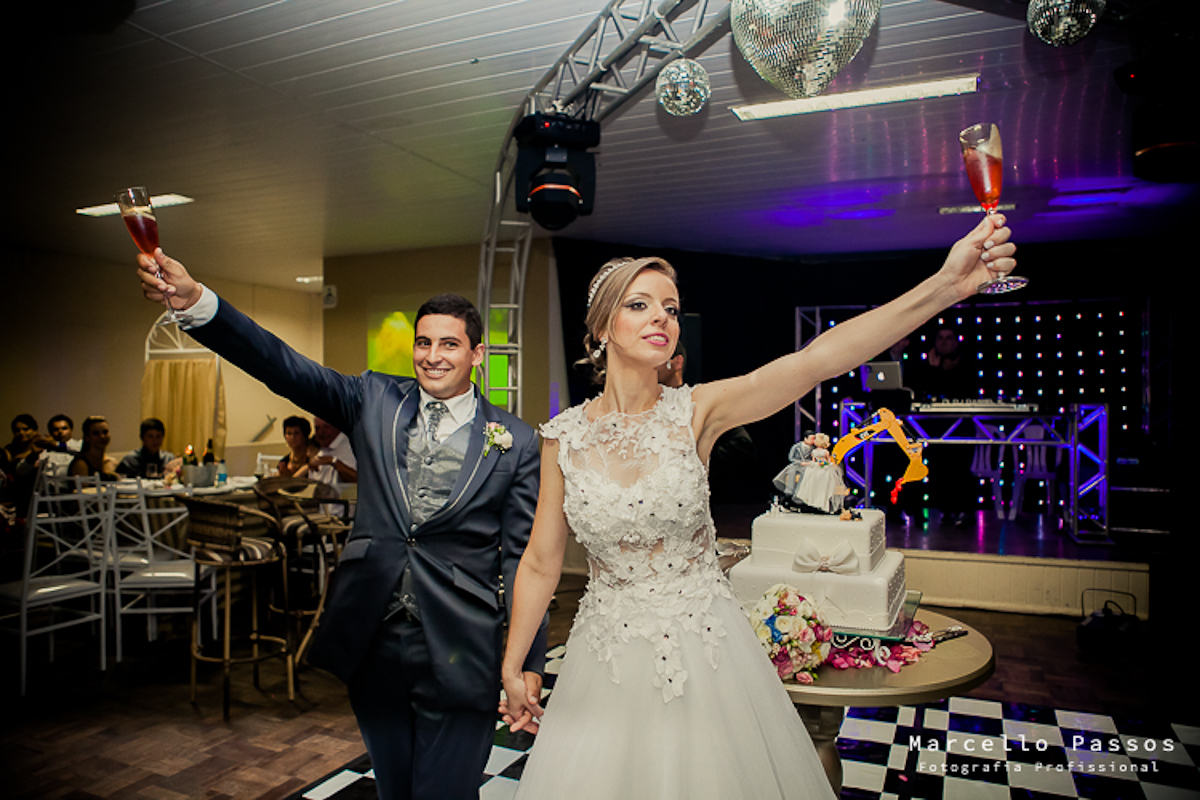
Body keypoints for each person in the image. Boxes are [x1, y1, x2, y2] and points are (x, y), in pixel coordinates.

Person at [499, 215, 1016, 799]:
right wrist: (514, 664)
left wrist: (946, 286)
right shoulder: (563, 438)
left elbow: (818, 360)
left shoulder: (697, 411)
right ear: (601, 328)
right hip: (605, 659)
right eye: (639, 305)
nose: (662, 318)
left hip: (705, 652)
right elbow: (540, 562)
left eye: (671, 308)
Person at [134, 251, 547, 800]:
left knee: (447, 791)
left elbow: (523, 558)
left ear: (476, 353)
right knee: (393, 788)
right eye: (423, 342)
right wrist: (199, 305)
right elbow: (280, 364)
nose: (432, 356)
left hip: (462, 644)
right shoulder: (373, 398)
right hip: (375, 636)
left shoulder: (516, 440)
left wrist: (528, 661)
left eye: (449, 344)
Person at [1, 414, 44, 520]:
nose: (21, 433)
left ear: (34, 430)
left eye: (26, 429)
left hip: (37, 490)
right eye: (17, 430)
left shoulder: (42, 448)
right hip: (16, 491)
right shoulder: (9, 450)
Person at [309, 416, 358, 493]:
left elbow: (360, 481)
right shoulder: (321, 446)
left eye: (326, 427)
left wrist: (333, 461)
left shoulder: (350, 445)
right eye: (317, 428)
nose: (321, 432)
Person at [68, 416, 120, 481]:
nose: (102, 436)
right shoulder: (80, 464)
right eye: (96, 433)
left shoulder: (111, 462)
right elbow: (82, 487)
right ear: (87, 437)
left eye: (105, 432)